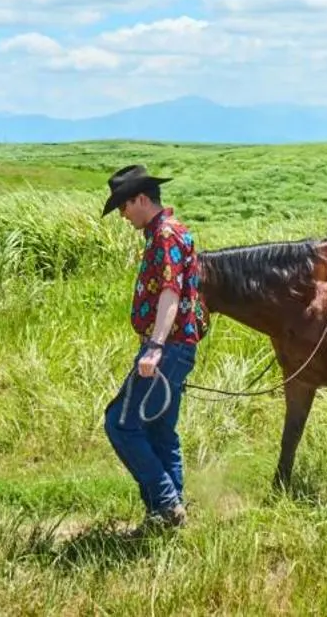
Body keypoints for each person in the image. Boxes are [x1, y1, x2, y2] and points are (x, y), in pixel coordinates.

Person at [100, 164, 206, 530]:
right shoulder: (166, 233)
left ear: (141, 199)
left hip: (168, 347)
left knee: (121, 424)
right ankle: (170, 515)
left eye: (124, 207)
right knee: (161, 430)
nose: (123, 215)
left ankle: (165, 504)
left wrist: (155, 347)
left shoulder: (165, 235)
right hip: (176, 347)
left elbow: (170, 292)